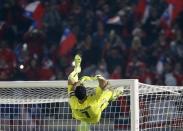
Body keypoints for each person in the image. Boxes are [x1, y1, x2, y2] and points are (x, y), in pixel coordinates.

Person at [67, 54, 123, 131]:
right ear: (86, 93)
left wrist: (79, 81)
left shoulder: (73, 101)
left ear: (76, 96)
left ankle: (77, 69)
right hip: (95, 116)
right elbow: (104, 82)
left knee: (70, 78)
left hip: (78, 116)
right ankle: (114, 95)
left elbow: (72, 89)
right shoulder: (94, 101)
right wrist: (96, 77)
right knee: (107, 88)